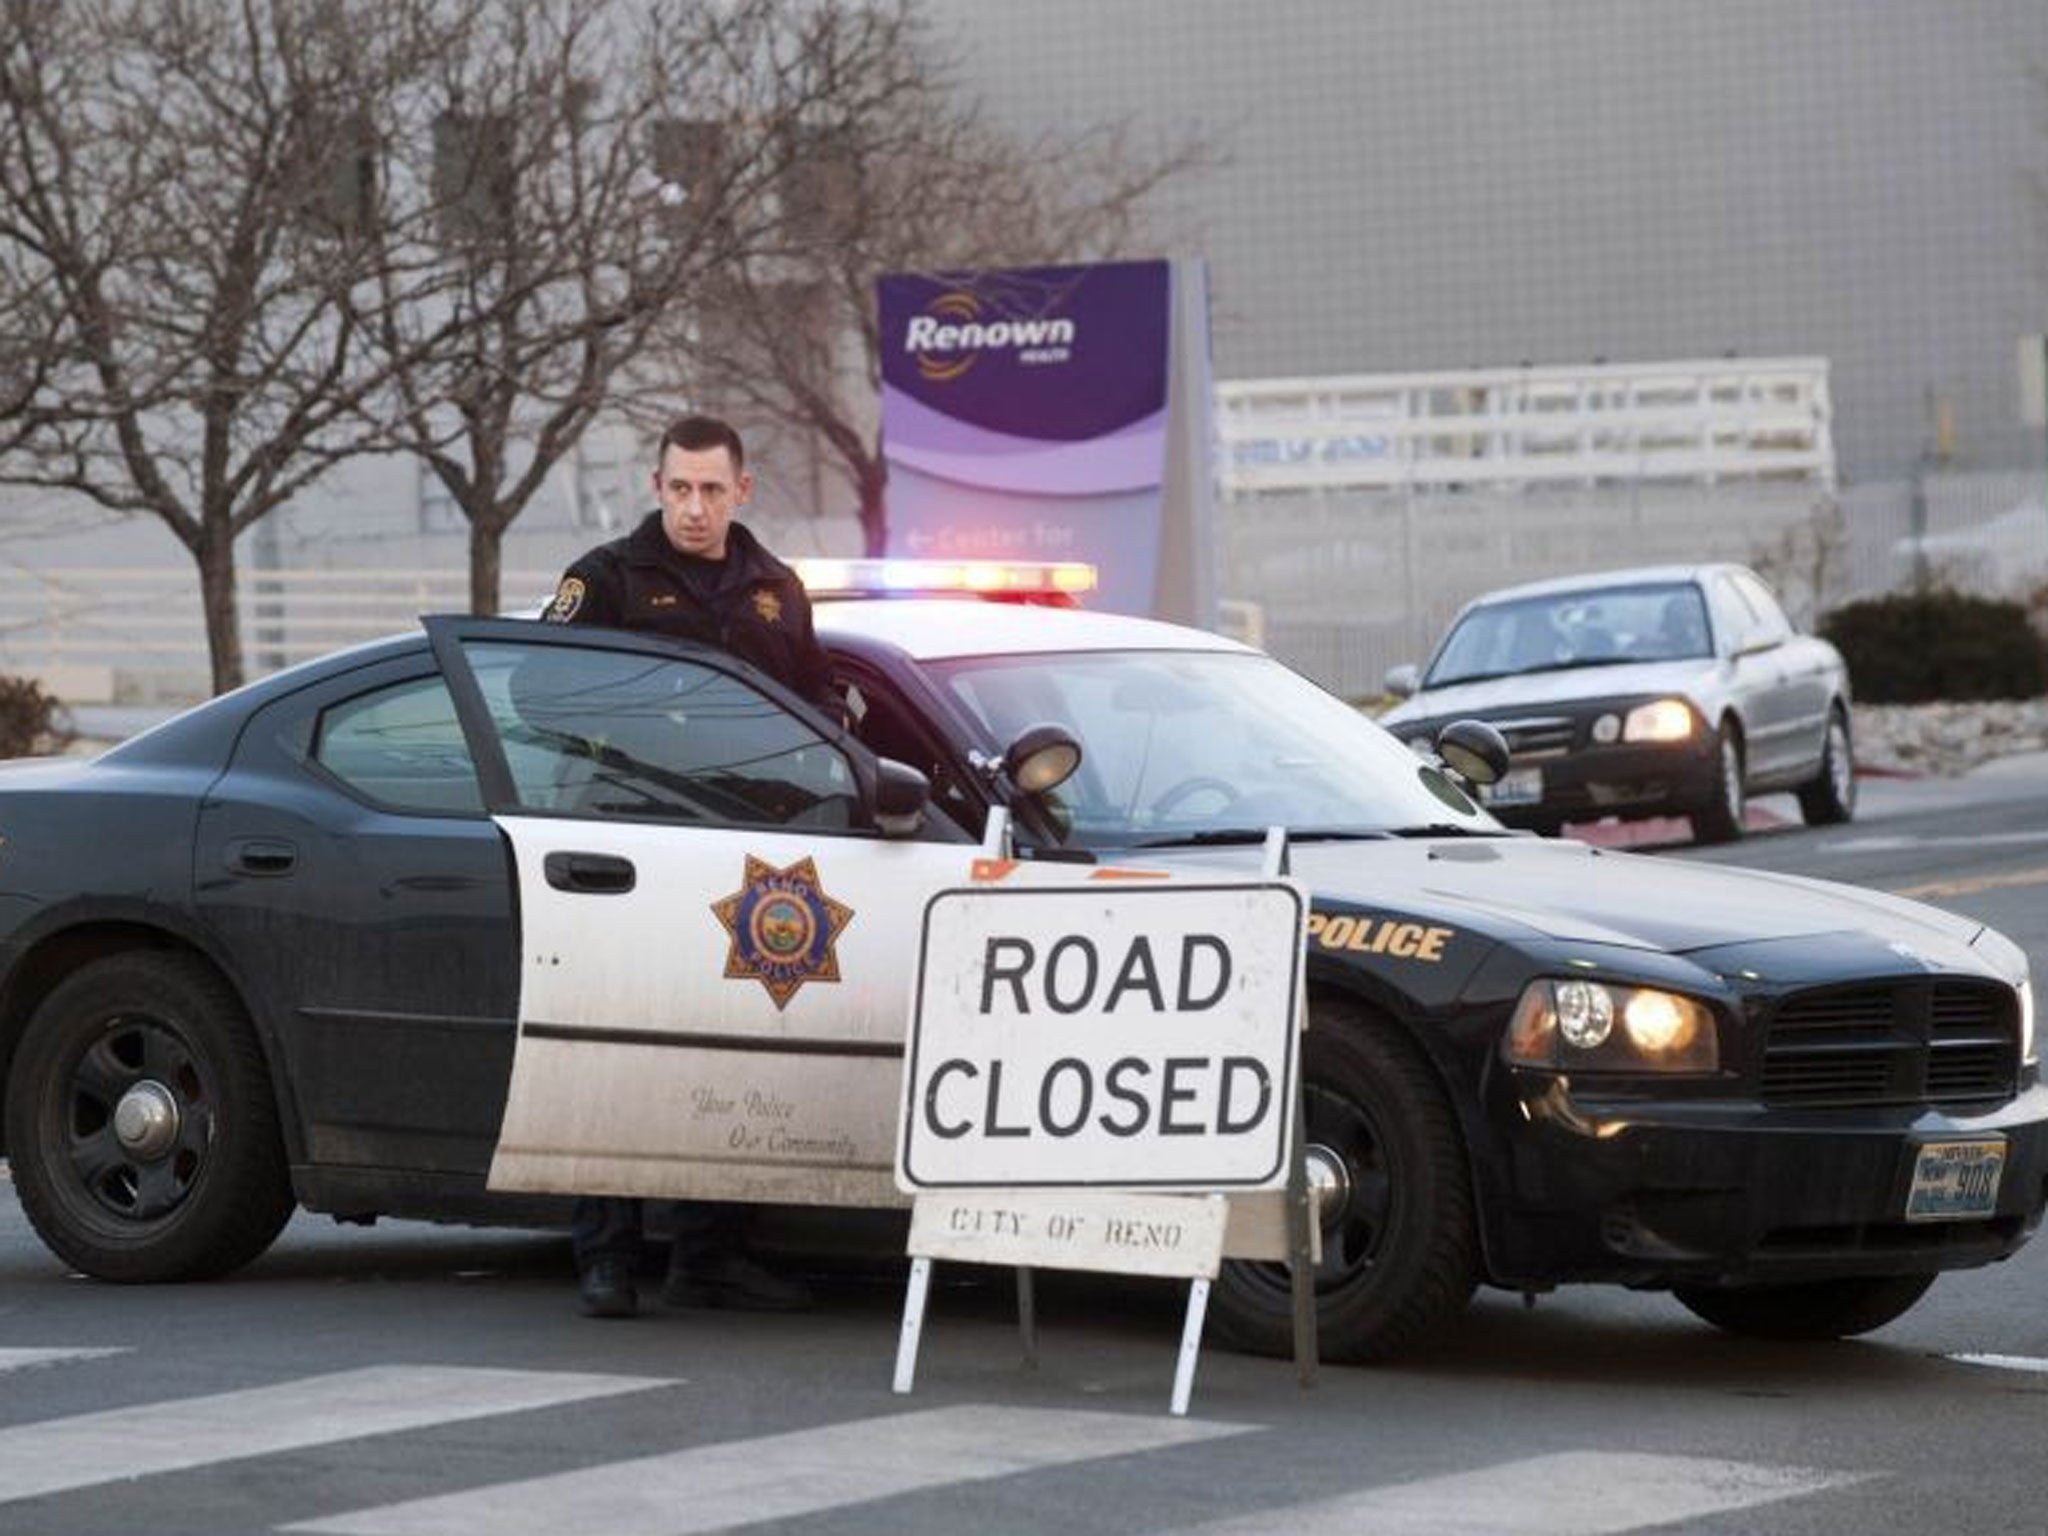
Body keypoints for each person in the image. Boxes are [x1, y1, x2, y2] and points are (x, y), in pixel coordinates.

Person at [544, 413, 832, 1319]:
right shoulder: (606, 581)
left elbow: (815, 707)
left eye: (712, 489)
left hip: (741, 854)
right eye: (679, 489)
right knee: (615, 1050)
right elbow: (535, 686)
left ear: (742, 490)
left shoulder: (777, 591)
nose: (695, 507)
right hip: (626, 847)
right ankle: (605, 1254)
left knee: (734, 1054)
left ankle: (711, 1254)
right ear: (656, 486)